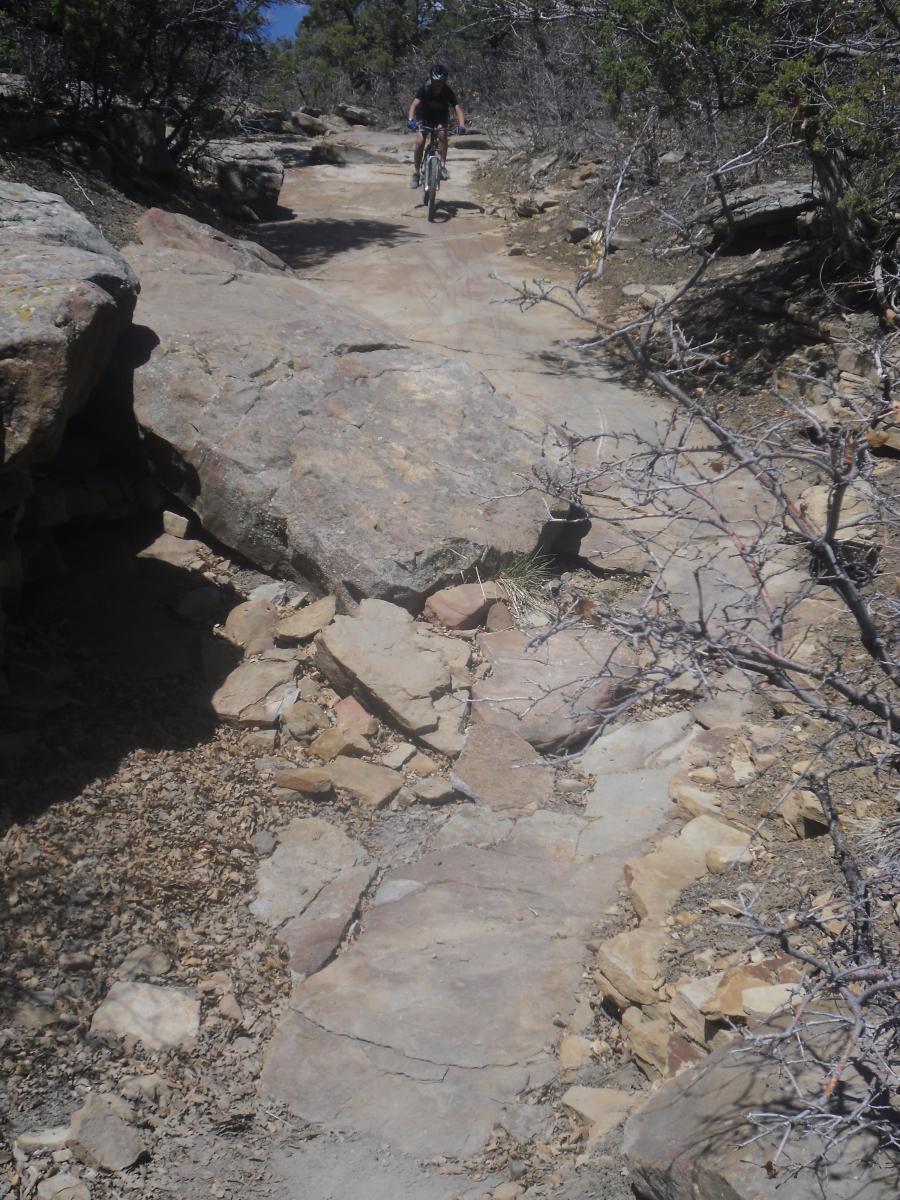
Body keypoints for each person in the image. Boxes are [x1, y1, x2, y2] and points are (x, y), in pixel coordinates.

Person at [407, 64, 465, 189]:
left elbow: (457, 108)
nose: (438, 85)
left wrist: (461, 125)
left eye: (441, 82)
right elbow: (414, 105)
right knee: (420, 141)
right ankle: (416, 173)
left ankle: (442, 166)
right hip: (424, 116)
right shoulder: (425, 89)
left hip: (440, 116)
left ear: (444, 81)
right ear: (432, 80)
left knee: (442, 134)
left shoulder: (447, 91)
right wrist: (411, 120)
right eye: (436, 82)